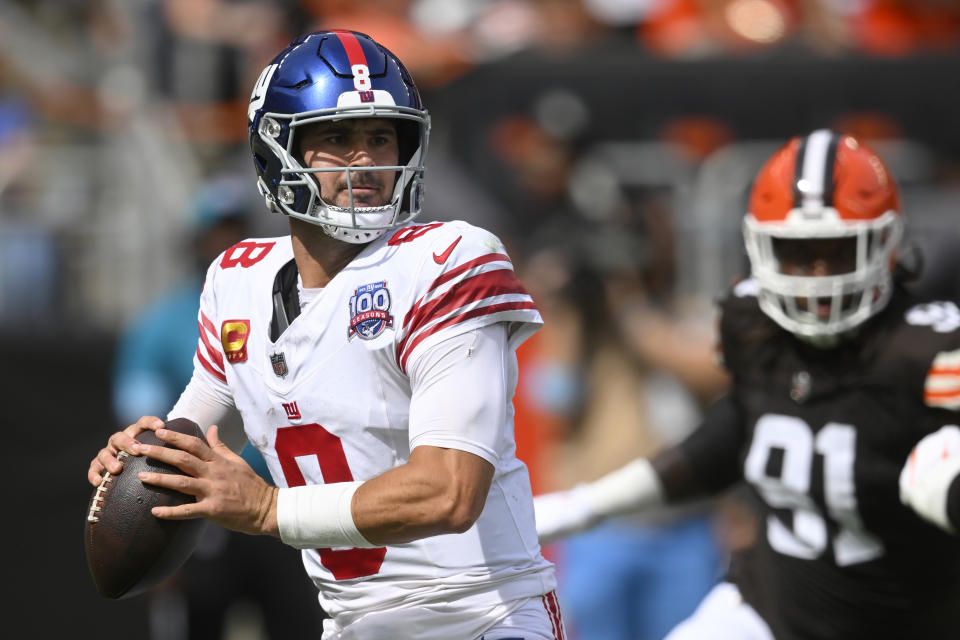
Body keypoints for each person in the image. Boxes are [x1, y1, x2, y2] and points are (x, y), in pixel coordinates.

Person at [87, 30, 564, 640]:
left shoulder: (447, 260)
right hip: (352, 624)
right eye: (337, 139)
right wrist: (148, 460)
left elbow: (449, 491)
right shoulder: (238, 280)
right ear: (275, 151)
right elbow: (194, 444)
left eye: (380, 137)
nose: (365, 161)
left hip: (482, 617)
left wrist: (266, 510)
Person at [533, 129, 960, 639]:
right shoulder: (753, 323)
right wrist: (590, 504)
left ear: (885, 246)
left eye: (838, 251)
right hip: (766, 609)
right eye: (799, 252)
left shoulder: (926, 349)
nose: (818, 277)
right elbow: (731, 434)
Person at [112, 174, 325, 639]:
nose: (225, 242)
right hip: (206, 509)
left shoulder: (291, 308)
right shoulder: (160, 323)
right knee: (200, 622)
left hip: (281, 499)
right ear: (194, 240)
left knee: (295, 624)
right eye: (214, 232)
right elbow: (150, 420)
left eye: (234, 231)